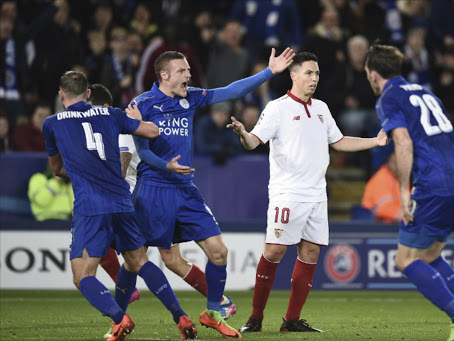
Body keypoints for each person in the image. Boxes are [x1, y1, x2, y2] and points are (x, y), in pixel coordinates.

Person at [131, 47, 295, 339]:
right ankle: (118, 318)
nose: (189, 75)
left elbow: (231, 91)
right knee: (135, 259)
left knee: (219, 253)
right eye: (183, 71)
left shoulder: (191, 97)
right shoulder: (142, 104)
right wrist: (166, 166)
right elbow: (142, 152)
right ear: (164, 74)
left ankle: (213, 313)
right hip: (154, 191)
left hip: (185, 190)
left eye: (189, 71)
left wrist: (269, 72)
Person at [227, 52, 388, 334]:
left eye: (317, 74)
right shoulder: (278, 109)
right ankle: (255, 317)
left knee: (310, 253)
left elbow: (339, 142)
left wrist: (375, 141)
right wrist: (243, 133)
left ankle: (291, 320)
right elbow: (254, 142)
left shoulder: (322, 109)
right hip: (287, 193)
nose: (314, 79)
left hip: (317, 195)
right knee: (275, 250)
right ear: (294, 75)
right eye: (309, 73)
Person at [42, 71, 198, 341]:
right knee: (139, 261)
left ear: (61, 95)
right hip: (122, 202)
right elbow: (153, 130)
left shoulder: (52, 123)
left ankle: (120, 318)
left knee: (82, 275)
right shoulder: (111, 114)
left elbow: (57, 169)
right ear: (89, 93)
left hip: (91, 206)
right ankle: (181, 317)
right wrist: (137, 120)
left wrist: (81, 171)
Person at [87, 83, 237, 325]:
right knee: (165, 260)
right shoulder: (109, 127)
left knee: (140, 258)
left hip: (146, 195)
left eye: (89, 108)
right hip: (147, 193)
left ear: (104, 107)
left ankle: (125, 316)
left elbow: (123, 165)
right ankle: (218, 302)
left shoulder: (122, 125)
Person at [364, 44, 454, 341]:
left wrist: (404, 193)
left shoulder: (388, 98)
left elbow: (403, 143)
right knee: (430, 255)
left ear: (374, 74)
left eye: (367, 73)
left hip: (433, 185)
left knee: (404, 260)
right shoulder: (426, 92)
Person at [361, 151, 402, 223]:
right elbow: (383, 208)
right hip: (374, 226)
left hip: (391, 224)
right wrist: (407, 217)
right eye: (395, 162)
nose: (399, 165)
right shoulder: (382, 177)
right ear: (389, 163)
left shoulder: (399, 179)